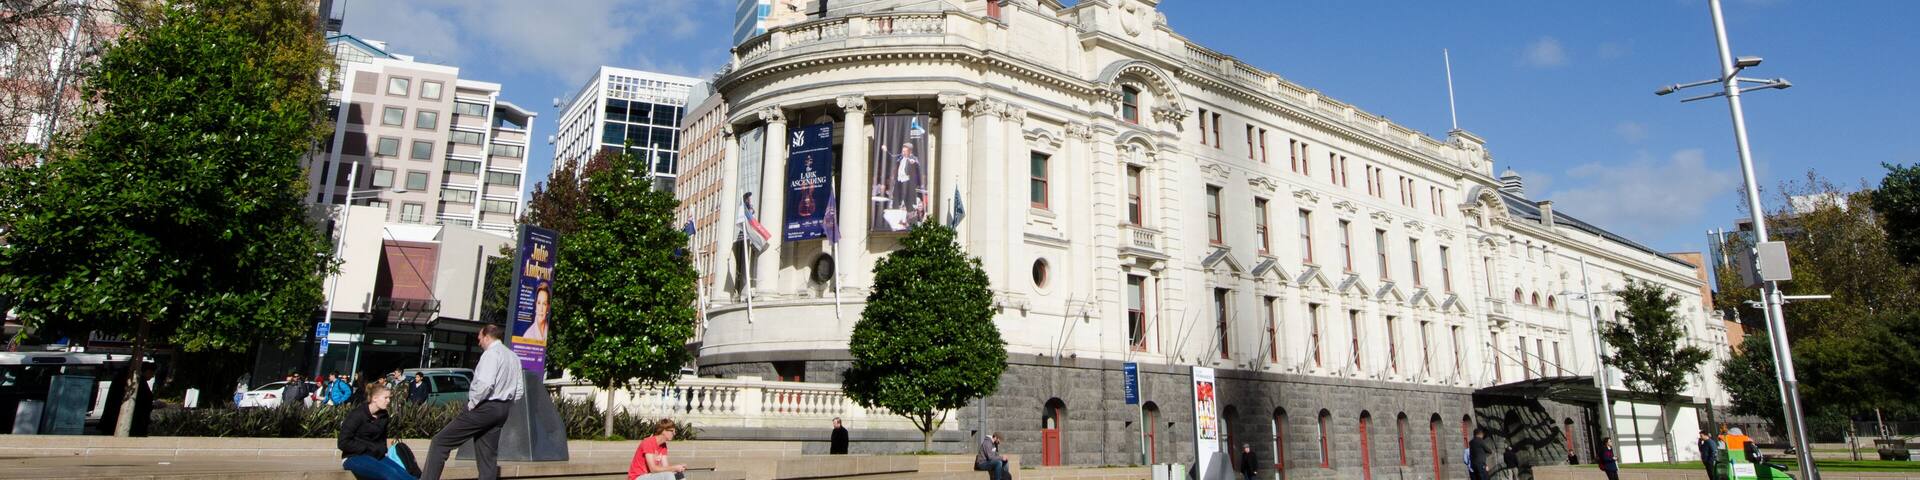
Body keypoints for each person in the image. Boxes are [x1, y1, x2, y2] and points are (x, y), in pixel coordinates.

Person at [419, 324, 524, 480]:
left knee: (440, 442)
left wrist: (472, 404)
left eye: (479, 338)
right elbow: (519, 389)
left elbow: (485, 384)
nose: (479, 342)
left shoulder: (491, 354)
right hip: (502, 409)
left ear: (487, 337)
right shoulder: (513, 356)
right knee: (487, 457)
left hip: (484, 407)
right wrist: (505, 405)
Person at [339, 382, 415, 480]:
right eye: (386, 398)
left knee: (403, 473)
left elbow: (382, 439)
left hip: (376, 456)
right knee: (390, 474)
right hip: (354, 457)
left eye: (389, 398)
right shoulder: (357, 415)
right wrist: (368, 448)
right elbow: (343, 442)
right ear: (375, 398)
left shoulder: (383, 416)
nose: (388, 401)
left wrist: (382, 450)